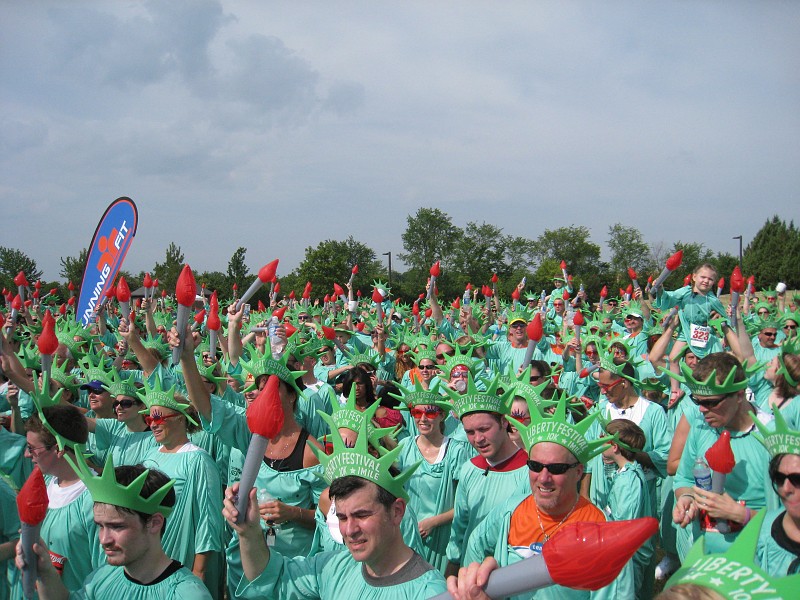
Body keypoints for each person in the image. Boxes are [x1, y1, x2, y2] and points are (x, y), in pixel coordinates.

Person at [223, 419, 447, 598]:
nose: (349, 530)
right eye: (341, 517)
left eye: (361, 515)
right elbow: (271, 579)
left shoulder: (430, 592)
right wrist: (248, 532)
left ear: (397, 511)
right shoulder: (333, 567)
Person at [451, 393, 625, 599]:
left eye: (557, 468)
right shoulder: (512, 510)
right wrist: (478, 587)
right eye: (535, 466)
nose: (543, 478)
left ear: (578, 472)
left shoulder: (600, 530)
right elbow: (475, 544)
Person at [16, 455, 211, 599]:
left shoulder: (187, 594)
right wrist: (45, 571)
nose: (104, 539)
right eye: (100, 526)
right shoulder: (102, 578)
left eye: (117, 527)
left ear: (154, 523)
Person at [442, 373, 529, 577]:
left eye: (484, 429)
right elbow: (459, 529)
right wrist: (451, 574)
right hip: (468, 575)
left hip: (509, 577)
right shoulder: (469, 469)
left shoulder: (530, 471)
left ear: (504, 422)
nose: (478, 439)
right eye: (470, 432)